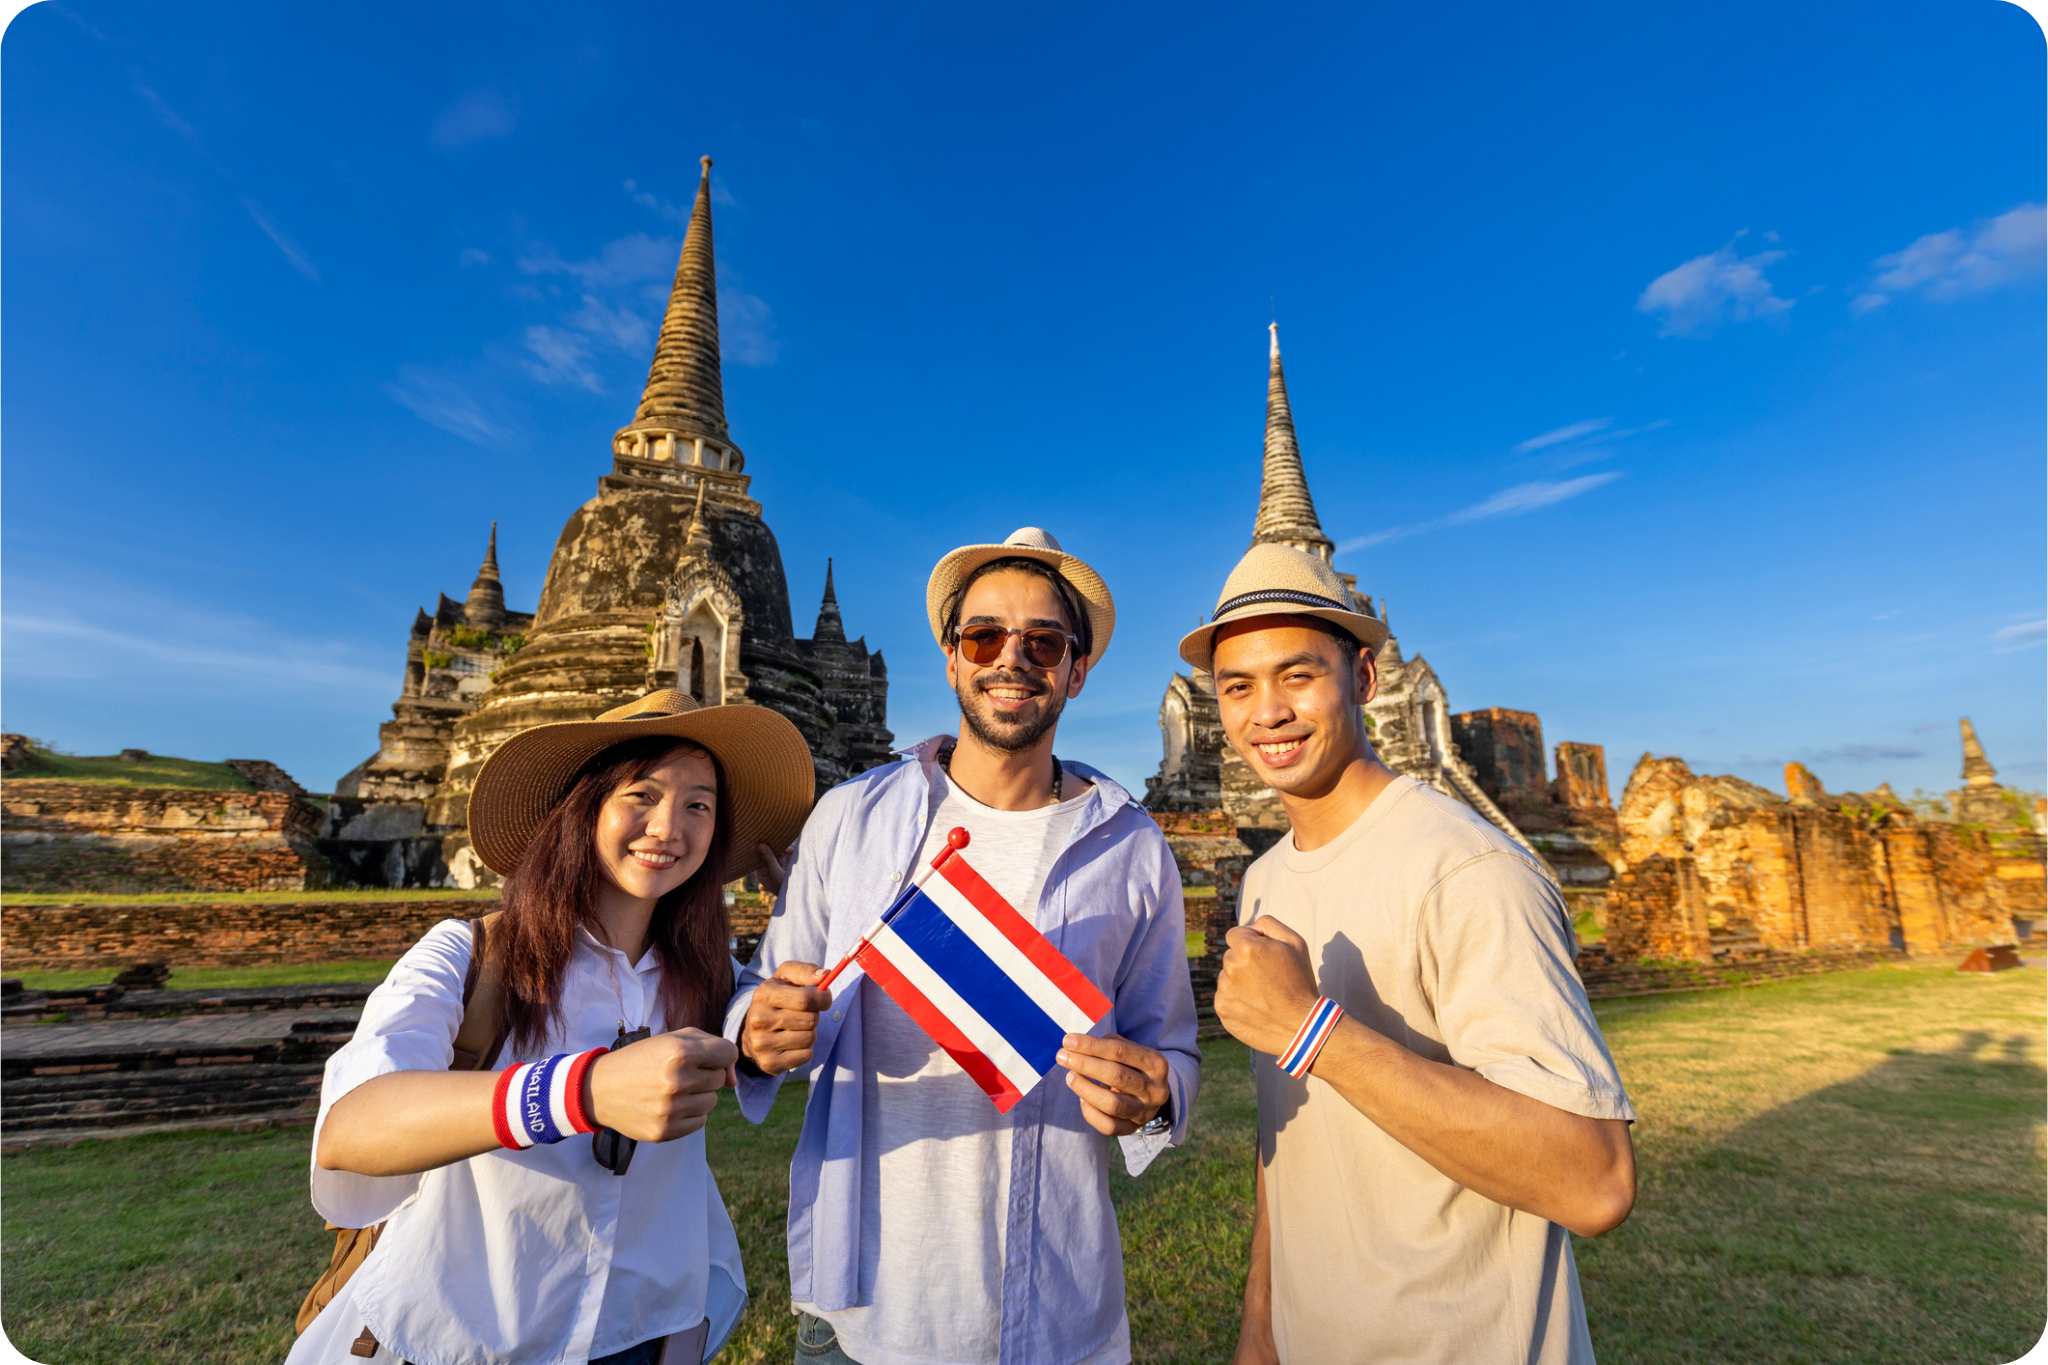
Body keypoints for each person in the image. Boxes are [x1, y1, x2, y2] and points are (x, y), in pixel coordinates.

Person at [726, 527, 1201, 1365]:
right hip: (870, 1305)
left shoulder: (1130, 845)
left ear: (1075, 671)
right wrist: (757, 1035)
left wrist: (1157, 1093)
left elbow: (1174, 1050)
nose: (1010, 658)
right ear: (951, 660)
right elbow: (762, 993)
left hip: (1058, 1303)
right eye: (984, 635)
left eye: (1043, 642)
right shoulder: (854, 818)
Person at [1194, 543, 1637, 1365]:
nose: (1269, 712)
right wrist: (1263, 1322)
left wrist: (1311, 1028)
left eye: (1298, 674)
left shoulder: (1471, 869)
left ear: (1364, 679)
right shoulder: (1263, 882)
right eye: (1239, 685)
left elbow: (1594, 1178)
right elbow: (1292, 1141)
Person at [291, 689, 814, 1365]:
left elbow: (756, 1014)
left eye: (698, 805)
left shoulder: (709, 978)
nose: (668, 828)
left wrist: (769, 1007)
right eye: (642, 795)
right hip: (469, 1332)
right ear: (585, 807)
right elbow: (351, 1129)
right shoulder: (468, 955)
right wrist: (581, 1090)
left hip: (640, 1332)